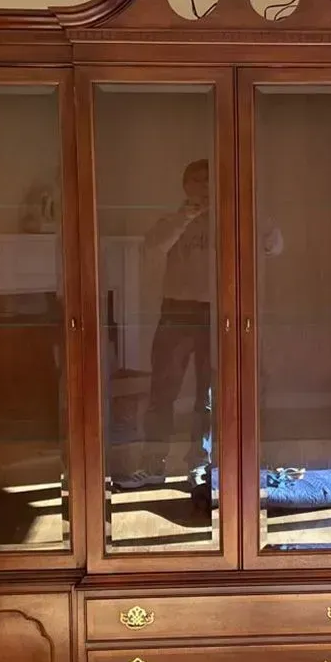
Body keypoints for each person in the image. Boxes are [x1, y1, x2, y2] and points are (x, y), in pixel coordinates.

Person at [114, 158, 283, 492]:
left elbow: (274, 245)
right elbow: (151, 249)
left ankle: (199, 467)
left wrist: (247, 211)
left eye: (209, 181)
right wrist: (185, 217)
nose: (203, 187)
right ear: (186, 186)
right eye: (196, 181)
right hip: (176, 310)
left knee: (209, 394)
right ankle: (153, 465)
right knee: (163, 391)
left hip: (221, 313)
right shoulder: (172, 220)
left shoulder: (235, 219)